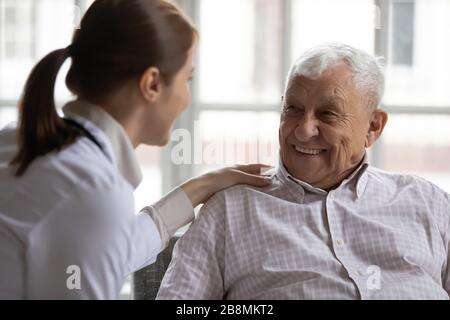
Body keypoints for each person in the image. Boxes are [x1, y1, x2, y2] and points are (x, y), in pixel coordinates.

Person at [0, 0, 272, 299]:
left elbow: (112, 248)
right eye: (187, 79)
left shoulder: (19, 139)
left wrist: (203, 185)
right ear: (152, 84)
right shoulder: (93, 188)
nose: (187, 97)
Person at [157, 43, 450, 300]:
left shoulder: (429, 203)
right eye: (293, 109)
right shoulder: (230, 211)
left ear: (373, 127)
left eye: (328, 114)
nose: (304, 129)